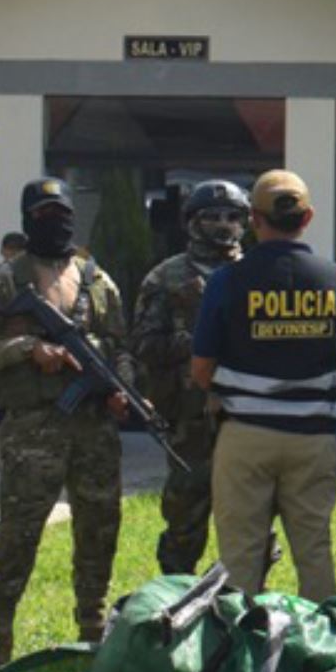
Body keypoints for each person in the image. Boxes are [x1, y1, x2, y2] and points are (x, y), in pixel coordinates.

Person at [192, 170, 336, 599]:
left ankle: (241, 655)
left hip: (245, 436)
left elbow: (201, 368)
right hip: (314, 438)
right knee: (314, 552)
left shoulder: (227, 281)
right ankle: (324, 656)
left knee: (240, 556)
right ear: (309, 217)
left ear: (253, 220)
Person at [0, 178, 132, 660]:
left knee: (99, 531)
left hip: (94, 430)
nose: (55, 222)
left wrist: (122, 391)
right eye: (44, 213)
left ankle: (91, 644)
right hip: (30, 432)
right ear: (27, 217)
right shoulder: (9, 280)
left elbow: (120, 348)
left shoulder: (98, 281)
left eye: (61, 213)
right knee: (15, 539)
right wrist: (28, 349)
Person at [132, 180, 251, 575]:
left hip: (247, 412)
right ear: (192, 223)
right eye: (212, 216)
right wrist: (201, 339)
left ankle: (244, 606)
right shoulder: (165, 279)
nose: (224, 225)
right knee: (185, 518)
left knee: (251, 519)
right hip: (190, 418)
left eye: (233, 217)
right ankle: (176, 596)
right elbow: (146, 347)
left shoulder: (256, 272)